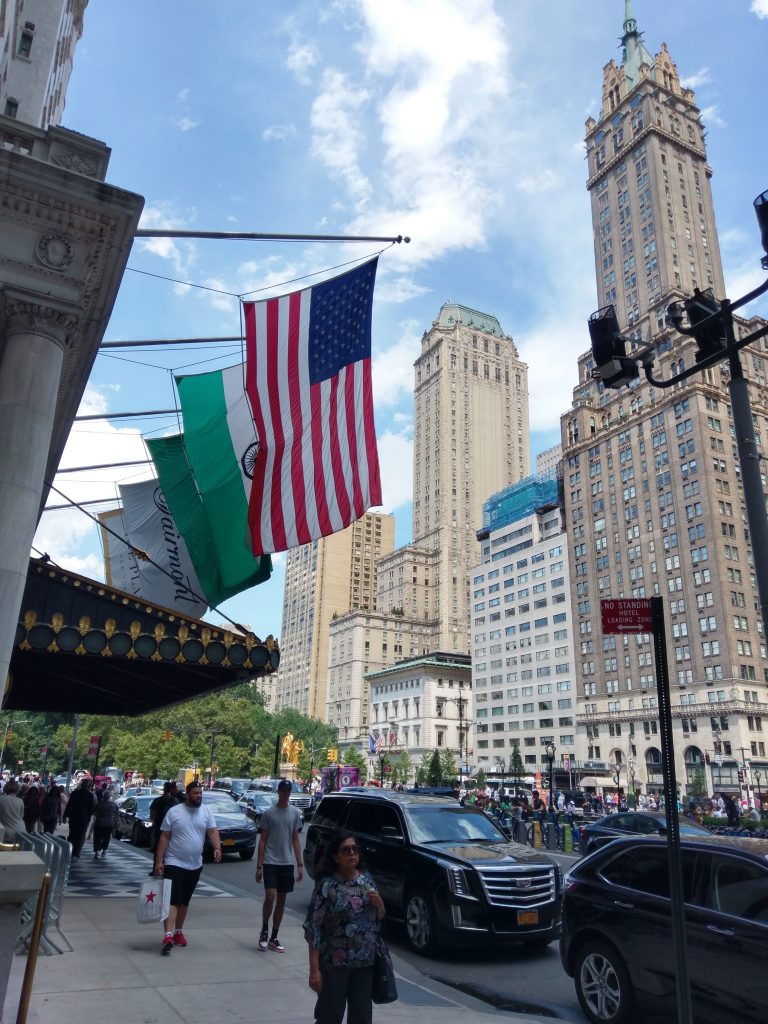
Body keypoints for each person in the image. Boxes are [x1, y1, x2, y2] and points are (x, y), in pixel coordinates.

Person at [304, 831, 385, 1024]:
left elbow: (378, 919)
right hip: (334, 963)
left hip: (364, 962)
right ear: (335, 857)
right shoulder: (327, 886)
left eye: (355, 849)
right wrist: (314, 969)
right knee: (330, 1016)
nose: (351, 853)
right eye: (345, 850)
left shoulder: (366, 880)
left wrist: (380, 905)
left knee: (362, 1017)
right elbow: (313, 928)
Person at [153, 781, 221, 955]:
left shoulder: (206, 811)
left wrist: (217, 848)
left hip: (195, 864)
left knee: (184, 901)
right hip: (175, 862)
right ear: (188, 794)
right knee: (173, 899)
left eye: (200, 793)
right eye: (196, 793)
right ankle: (167, 935)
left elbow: (212, 832)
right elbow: (164, 837)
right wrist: (159, 861)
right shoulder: (174, 812)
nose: (199, 796)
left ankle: (178, 932)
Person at [255, 779, 303, 952]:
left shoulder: (294, 813)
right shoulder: (269, 813)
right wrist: (259, 865)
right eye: (284, 791)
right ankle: (264, 930)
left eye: (288, 791)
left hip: (286, 862)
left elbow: (295, 839)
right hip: (270, 861)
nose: (286, 794)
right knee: (270, 895)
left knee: (282, 900)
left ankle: (274, 936)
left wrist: (299, 863)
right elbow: (263, 840)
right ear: (279, 792)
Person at [63, 780, 96, 860]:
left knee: (72, 834)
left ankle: (70, 850)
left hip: (74, 816)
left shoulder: (75, 793)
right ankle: (76, 852)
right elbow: (91, 809)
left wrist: (65, 815)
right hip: (84, 818)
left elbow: (69, 805)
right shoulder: (90, 795)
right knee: (80, 835)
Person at [92, 788, 119, 858]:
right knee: (106, 837)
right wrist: (115, 820)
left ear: (104, 796)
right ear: (109, 797)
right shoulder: (113, 804)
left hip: (99, 823)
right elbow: (117, 813)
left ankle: (97, 851)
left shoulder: (99, 804)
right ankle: (104, 850)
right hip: (109, 823)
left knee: (98, 837)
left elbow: (94, 812)